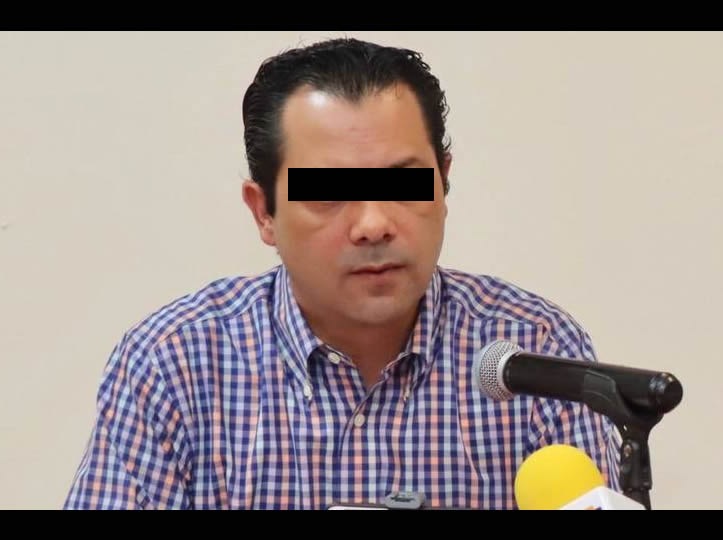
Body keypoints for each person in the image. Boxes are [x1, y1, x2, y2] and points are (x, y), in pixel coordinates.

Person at [64, 37, 620, 510]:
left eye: (403, 184)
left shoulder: (536, 352)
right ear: (263, 212)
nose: (374, 224)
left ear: (444, 182)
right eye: (329, 193)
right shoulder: (173, 363)